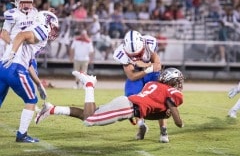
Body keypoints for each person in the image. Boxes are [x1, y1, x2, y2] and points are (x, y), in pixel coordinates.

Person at [35, 68, 185, 143]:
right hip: (127, 108)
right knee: (89, 120)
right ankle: (89, 83)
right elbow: (175, 114)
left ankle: (51, 109)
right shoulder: (170, 91)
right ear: (171, 82)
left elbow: (146, 111)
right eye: (177, 81)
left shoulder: (152, 84)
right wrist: (178, 121)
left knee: (90, 113)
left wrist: (161, 114)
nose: (179, 84)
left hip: (127, 104)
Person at [0, 10, 59, 143]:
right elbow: (21, 35)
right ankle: (22, 135)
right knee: (31, 100)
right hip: (15, 68)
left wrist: (38, 84)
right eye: (53, 26)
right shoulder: (42, 29)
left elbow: (29, 64)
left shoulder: (32, 29)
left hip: (3, 67)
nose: (54, 31)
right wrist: (13, 53)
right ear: (46, 22)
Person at [112, 30, 169, 143]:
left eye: (138, 54)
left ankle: (163, 130)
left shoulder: (149, 42)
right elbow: (132, 76)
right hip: (138, 75)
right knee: (133, 98)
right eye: (133, 56)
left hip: (152, 73)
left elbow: (157, 66)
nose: (136, 57)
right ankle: (141, 125)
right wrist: (147, 68)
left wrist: (145, 66)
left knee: (160, 98)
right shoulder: (121, 53)